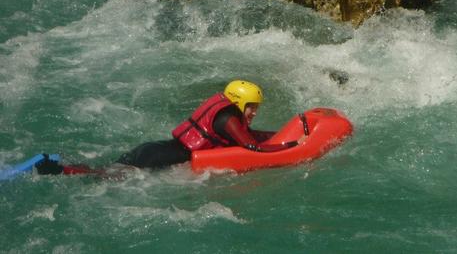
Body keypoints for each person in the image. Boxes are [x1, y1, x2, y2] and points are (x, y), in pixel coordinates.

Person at [36, 80, 285, 175]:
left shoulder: (229, 115)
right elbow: (251, 145)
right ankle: (57, 169)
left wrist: (282, 133)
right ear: (238, 103)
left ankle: (60, 163)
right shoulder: (228, 119)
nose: (253, 112)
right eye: (251, 107)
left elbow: (252, 135)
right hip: (156, 156)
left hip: (156, 149)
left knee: (106, 170)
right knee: (106, 175)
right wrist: (288, 150)